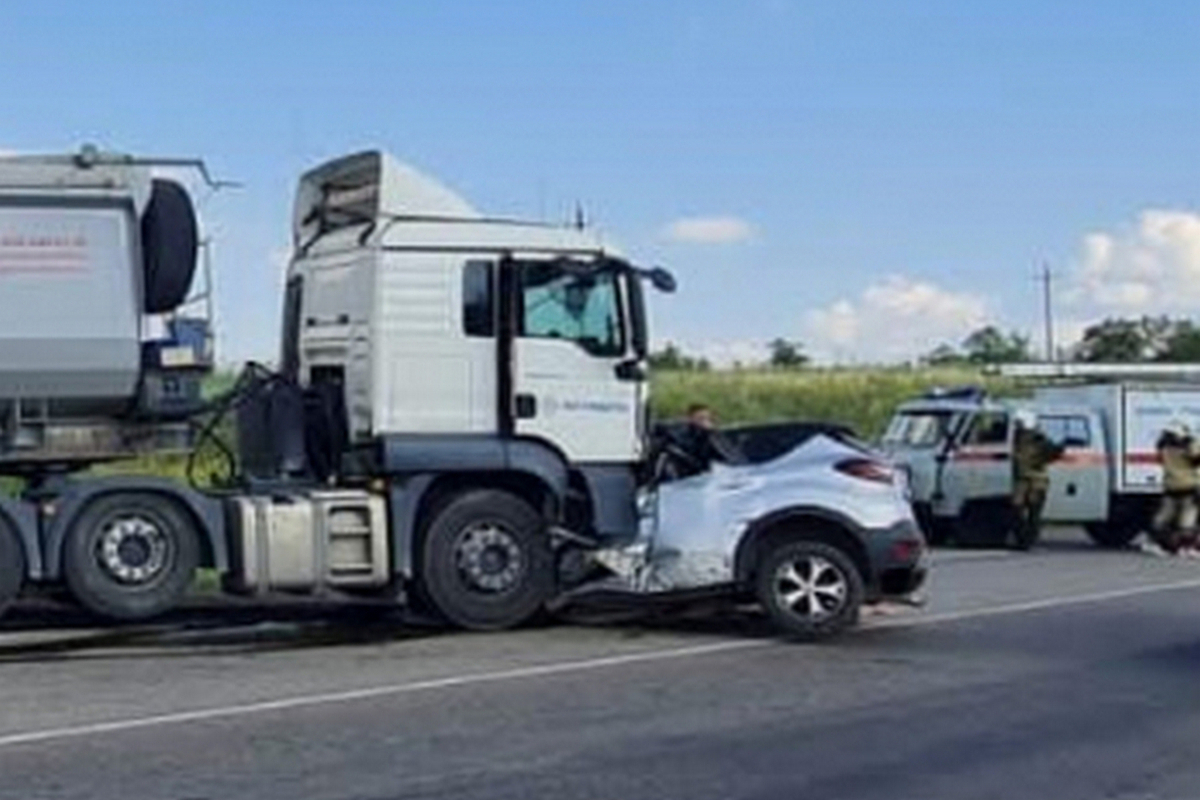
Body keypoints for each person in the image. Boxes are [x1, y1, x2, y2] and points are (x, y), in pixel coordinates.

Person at [1011, 409, 1065, 550]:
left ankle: (1026, 541)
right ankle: (1023, 540)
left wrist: (1058, 448)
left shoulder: (1038, 440)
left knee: (1032, 513)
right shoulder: (1017, 439)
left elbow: (1052, 454)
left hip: (1034, 482)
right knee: (1019, 512)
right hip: (1024, 481)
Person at [1146, 420, 1200, 557]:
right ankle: (1186, 546)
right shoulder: (1187, 446)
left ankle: (1155, 543)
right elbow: (1196, 460)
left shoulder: (1163, 447)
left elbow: (1160, 461)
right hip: (1188, 484)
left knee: (1164, 516)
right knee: (1188, 516)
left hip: (1170, 485)